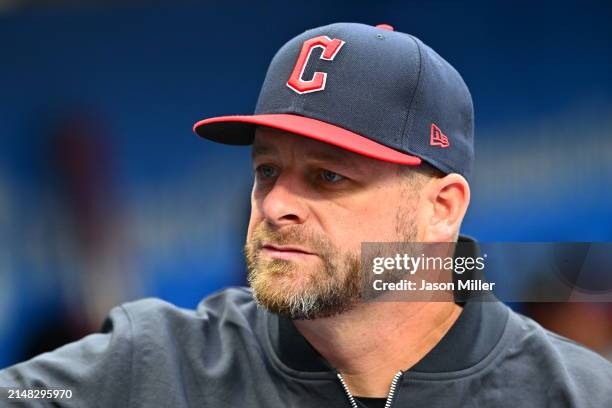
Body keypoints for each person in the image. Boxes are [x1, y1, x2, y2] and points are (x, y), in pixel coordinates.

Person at [1, 22, 611, 408]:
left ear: (440, 209)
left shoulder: (575, 393)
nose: (276, 204)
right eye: (267, 170)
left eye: (327, 175)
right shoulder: (158, 364)